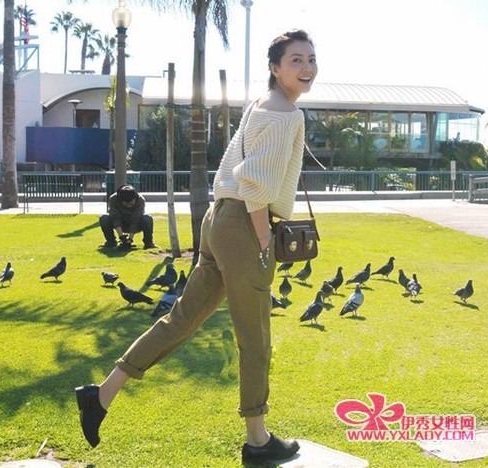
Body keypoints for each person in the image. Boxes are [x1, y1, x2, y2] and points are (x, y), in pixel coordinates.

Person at [75, 29, 317, 464]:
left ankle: (101, 394)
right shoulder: (286, 114)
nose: (307, 68)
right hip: (245, 224)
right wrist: (263, 238)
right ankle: (257, 440)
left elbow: (238, 170)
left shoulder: (260, 104)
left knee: (181, 320)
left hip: (218, 219)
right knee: (255, 338)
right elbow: (254, 182)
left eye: (311, 59)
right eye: (295, 60)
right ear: (275, 67)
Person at [99, 184, 158, 250]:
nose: (129, 205)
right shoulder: (113, 199)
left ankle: (148, 243)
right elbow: (115, 217)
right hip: (120, 224)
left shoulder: (140, 200)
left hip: (137, 224)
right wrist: (121, 237)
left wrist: (130, 239)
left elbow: (136, 219)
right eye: (126, 203)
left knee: (147, 218)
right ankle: (111, 242)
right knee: (104, 218)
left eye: (131, 202)